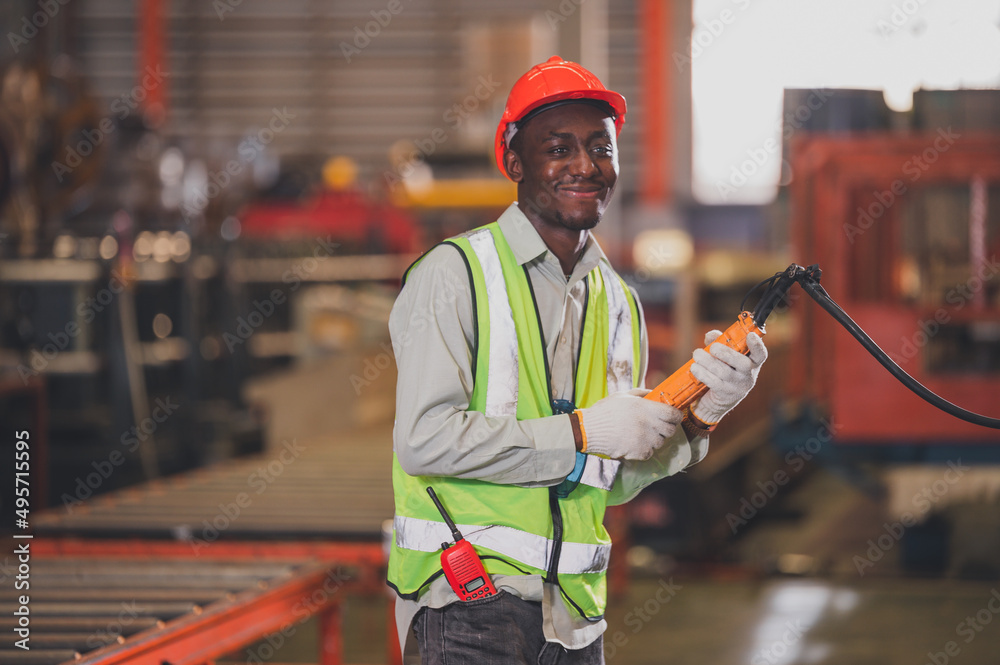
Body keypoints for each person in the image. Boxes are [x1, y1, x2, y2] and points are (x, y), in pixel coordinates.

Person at [387, 55, 766, 664]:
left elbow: (608, 481)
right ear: (514, 161)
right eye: (558, 148)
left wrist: (701, 416)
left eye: (601, 147)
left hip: (575, 622)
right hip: (468, 609)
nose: (586, 166)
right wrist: (584, 430)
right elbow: (425, 441)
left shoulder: (618, 302)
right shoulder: (455, 276)